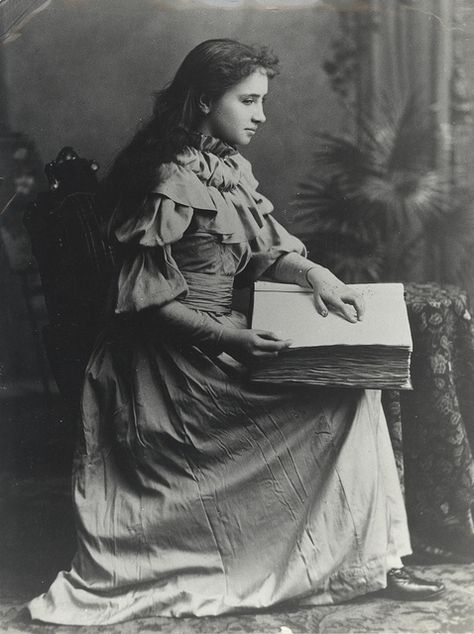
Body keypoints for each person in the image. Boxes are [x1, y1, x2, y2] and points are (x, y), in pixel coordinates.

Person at [28, 39, 444, 625]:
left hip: (219, 341)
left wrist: (316, 274)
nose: (261, 115)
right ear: (203, 99)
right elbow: (146, 306)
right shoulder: (166, 176)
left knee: (355, 382)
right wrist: (232, 340)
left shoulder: (225, 167)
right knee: (344, 395)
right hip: (167, 362)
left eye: (262, 101)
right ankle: (359, 560)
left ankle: (372, 558)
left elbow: (267, 251)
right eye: (248, 100)